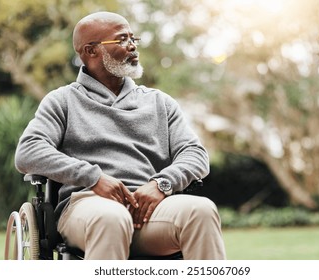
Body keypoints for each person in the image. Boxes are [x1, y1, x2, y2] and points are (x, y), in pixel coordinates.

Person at [15, 11, 226, 260]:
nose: (132, 46)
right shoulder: (63, 101)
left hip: (150, 210)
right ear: (90, 51)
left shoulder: (160, 102)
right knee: (111, 218)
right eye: (122, 39)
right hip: (87, 206)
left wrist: (161, 184)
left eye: (133, 39)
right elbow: (28, 151)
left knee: (201, 211)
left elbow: (196, 155)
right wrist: (94, 178)